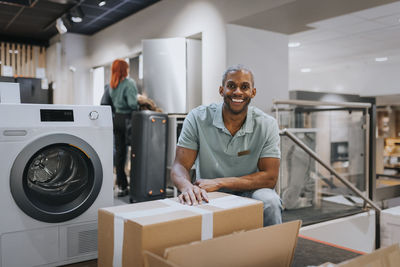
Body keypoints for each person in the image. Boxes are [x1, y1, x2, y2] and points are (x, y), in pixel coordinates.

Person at [171, 64, 282, 226]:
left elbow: (270, 177)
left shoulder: (267, 124)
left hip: (252, 191)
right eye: (231, 86)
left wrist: (220, 182)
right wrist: (187, 187)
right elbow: (180, 165)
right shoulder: (197, 118)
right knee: (191, 203)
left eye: (244, 87)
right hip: (208, 192)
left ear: (253, 92)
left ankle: (274, 250)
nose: (237, 92)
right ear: (222, 90)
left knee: (270, 201)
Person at [108, 59, 138, 197]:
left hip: (116, 119)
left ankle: (122, 186)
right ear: (124, 69)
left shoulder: (112, 85)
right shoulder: (129, 83)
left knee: (120, 154)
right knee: (136, 151)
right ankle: (138, 185)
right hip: (128, 119)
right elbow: (132, 104)